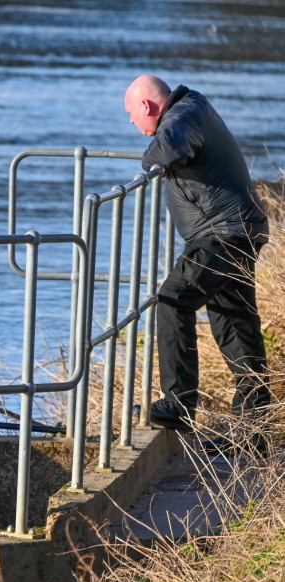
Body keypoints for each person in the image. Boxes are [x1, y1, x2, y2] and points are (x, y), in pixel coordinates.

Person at [124, 75, 271, 430]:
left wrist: (150, 159)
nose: (131, 122)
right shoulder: (195, 106)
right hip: (237, 230)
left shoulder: (181, 116)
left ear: (147, 106)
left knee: (172, 299)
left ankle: (179, 404)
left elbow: (171, 148)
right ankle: (255, 427)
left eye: (131, 114)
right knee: (233, 323)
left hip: (223, 234)